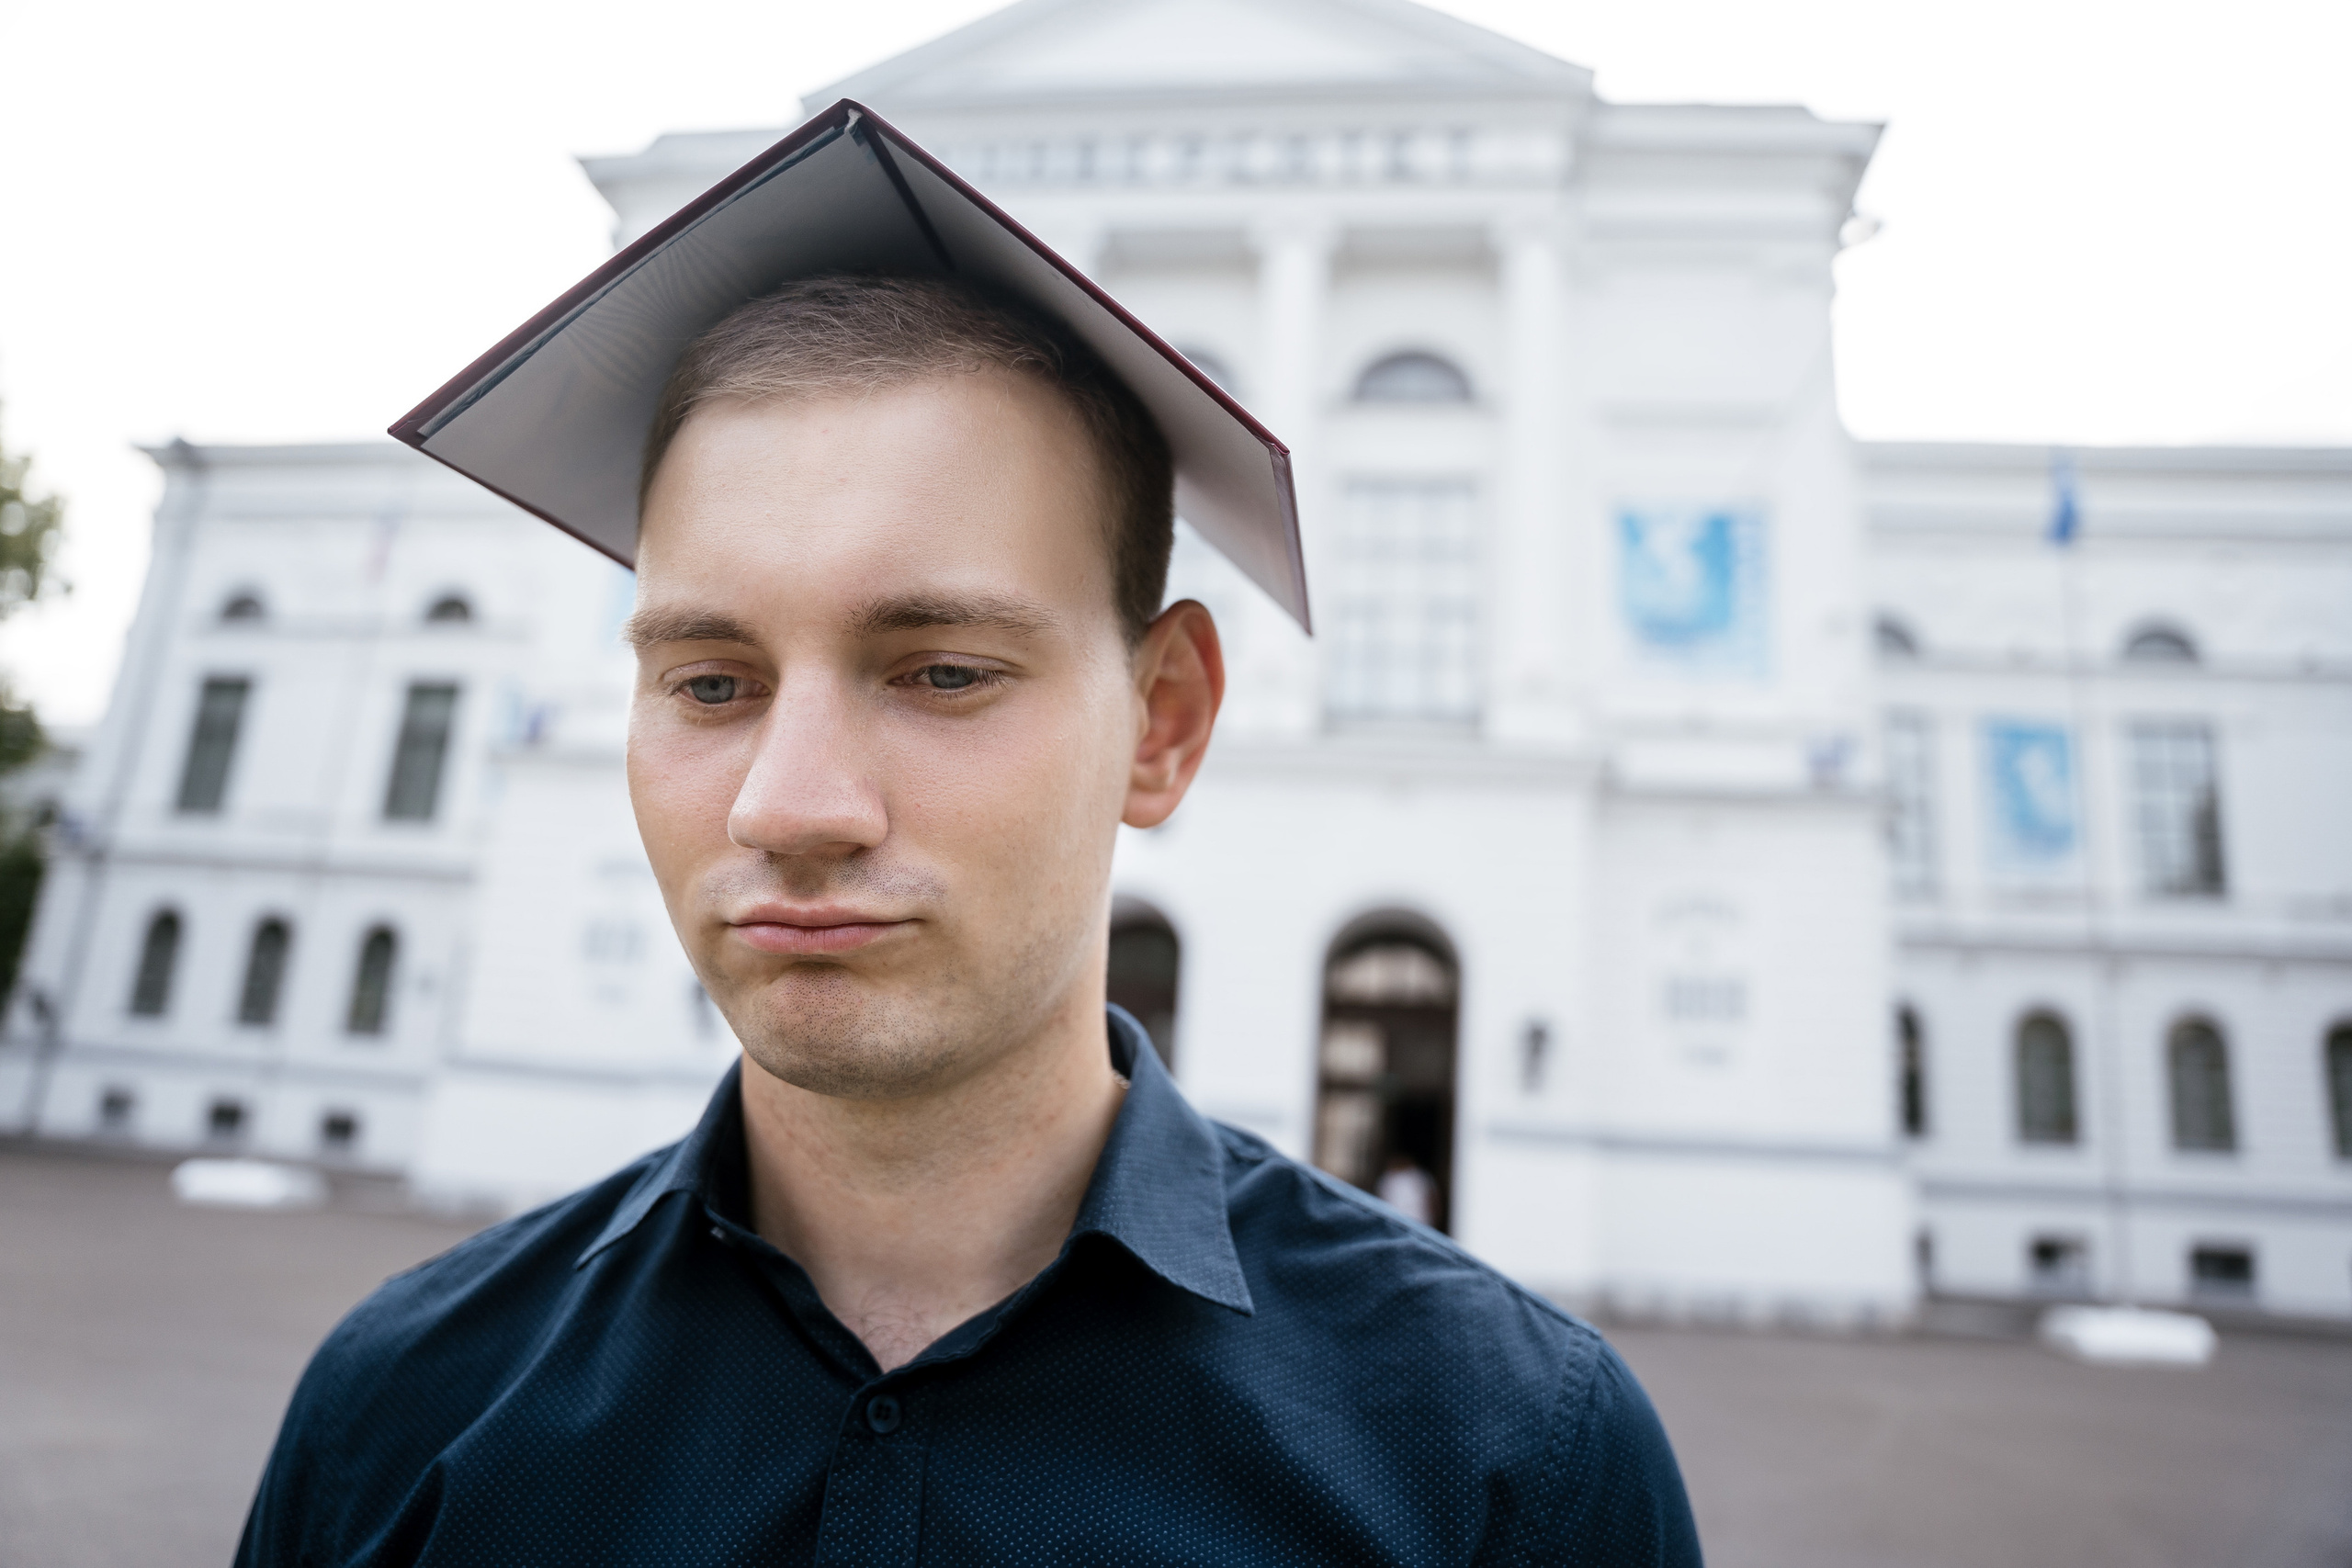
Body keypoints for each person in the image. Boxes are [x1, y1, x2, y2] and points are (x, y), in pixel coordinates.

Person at [238, 108, 1699, 1568]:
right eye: (710, 681)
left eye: (941, 670)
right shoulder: (397, 1413)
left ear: (1162, 720)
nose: (788, 804)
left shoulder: (1515, 1471)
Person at [1377, 1151, 1439, 1227]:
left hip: (1419, 1222)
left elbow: (1433, 1202)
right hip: (1397, 1222)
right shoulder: (1388, 1178)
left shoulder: (1420, 1176)